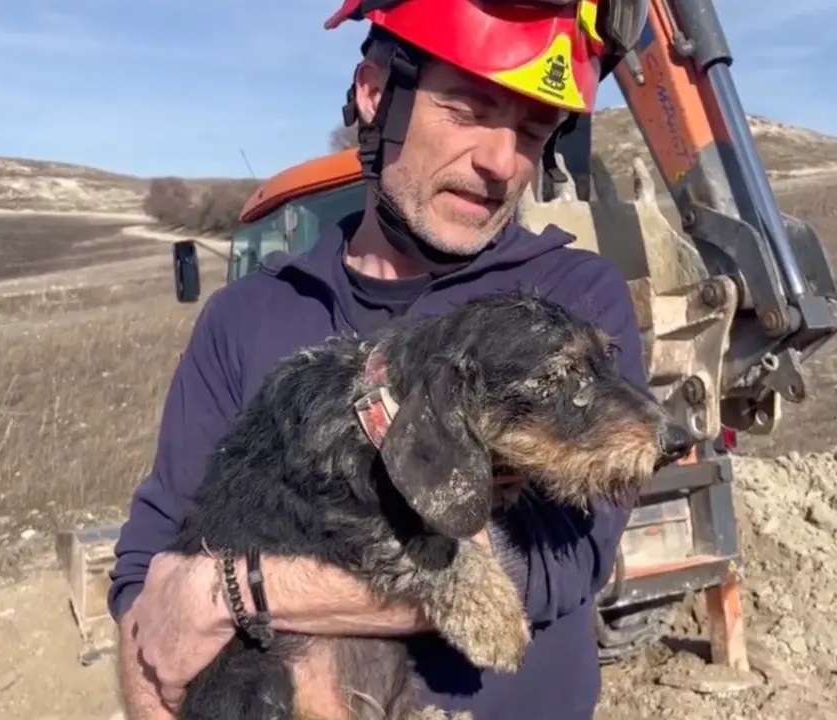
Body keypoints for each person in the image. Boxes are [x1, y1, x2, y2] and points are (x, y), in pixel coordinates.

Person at [112, 0, 652, 717]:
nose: (500, 162)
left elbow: (560, 556)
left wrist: (235, 590)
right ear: (374, 94)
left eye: (532, 129)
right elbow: (150, 583)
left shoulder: (572, 299)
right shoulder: (246, 316)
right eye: (468, 110)